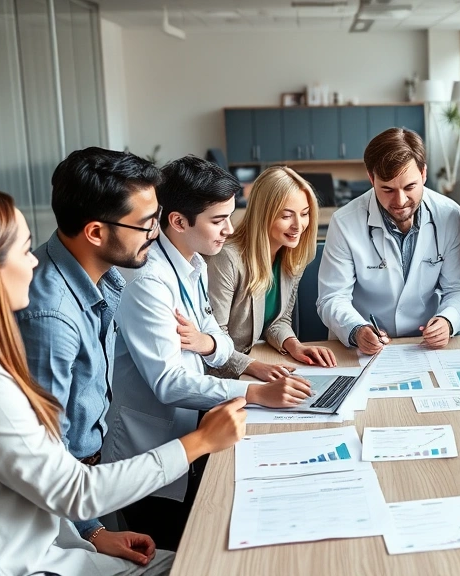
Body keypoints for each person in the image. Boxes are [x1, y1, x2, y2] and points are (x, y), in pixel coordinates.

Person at [0, 189, 247, 576]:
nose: (34, 262)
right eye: (24, 250)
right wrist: (201, 442)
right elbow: (76, 491)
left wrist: (91, 535)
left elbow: (34, 478)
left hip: (57, 548)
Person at [104, 156, 312, 551]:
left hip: (187, 435)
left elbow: (219, 338)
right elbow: (169, 384)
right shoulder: (150, 283)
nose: (230, 229)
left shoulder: (194, 263)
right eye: (218, 220)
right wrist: (253, 392)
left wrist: (211, 344)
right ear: (178, 222)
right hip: (149, 453)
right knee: (173, 553)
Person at [15, 148, 164, 558]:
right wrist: (92, 532)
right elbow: (49, 452)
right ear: (96, 232)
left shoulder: (102, 276)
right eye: (146, 224)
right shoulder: (50, 315)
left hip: (90, 479)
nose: (155, 234)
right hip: (62, 505)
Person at [317, 128, 460, 354]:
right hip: (366, 348)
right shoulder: (344, 222)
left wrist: (448, 321)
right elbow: (332, 297)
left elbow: (458, 288)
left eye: (410, 187)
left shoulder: (449, 215)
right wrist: (357, 329)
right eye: (387, 189)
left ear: (423, 174)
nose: (400, 201)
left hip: (426, 345)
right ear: (372, 179)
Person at [206, 166, 336, 377]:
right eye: (286, 216)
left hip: (252, 363)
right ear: (263, 215)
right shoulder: (227, 259)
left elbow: (278, 321)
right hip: (222, 375)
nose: (298, 225)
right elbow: (214, 337)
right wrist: (256, 367)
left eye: (304, 214)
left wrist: (295, 346)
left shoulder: (291, 257)